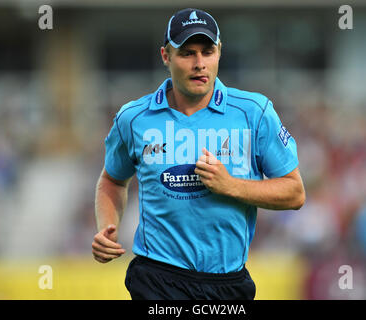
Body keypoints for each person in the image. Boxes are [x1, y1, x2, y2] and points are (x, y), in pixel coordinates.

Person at [92, 8, 305, 300]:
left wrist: (231, 186)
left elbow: (295, 192)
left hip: (228, 282)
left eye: (207, 51)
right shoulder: (133, 118)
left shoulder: (254, 112)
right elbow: (112, 180)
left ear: (219, 52)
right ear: (166, 56)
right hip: (157, 278)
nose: (199, 63)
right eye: (187, 53)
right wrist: (107, 227)